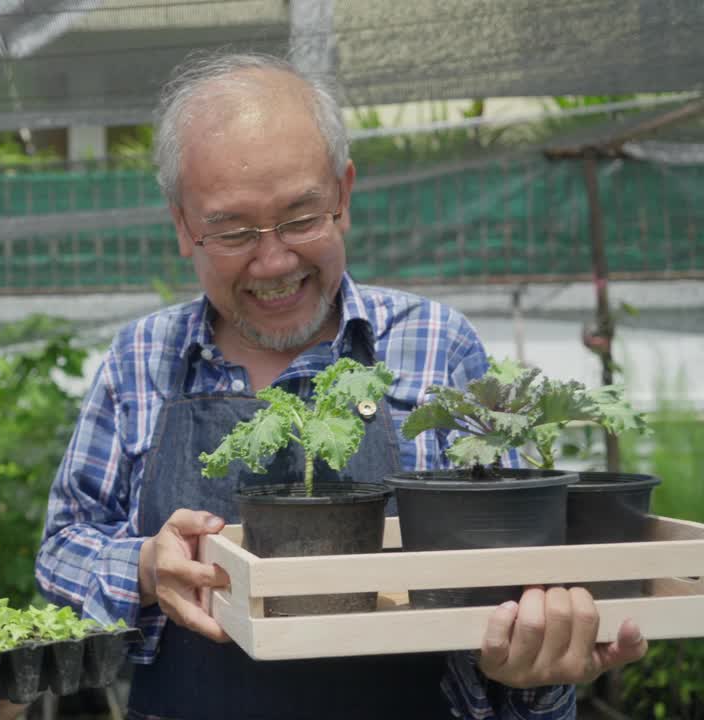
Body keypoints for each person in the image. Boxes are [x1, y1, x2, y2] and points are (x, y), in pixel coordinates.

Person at [35, 52, 648, 719]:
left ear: (344, 195)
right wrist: (146, 572)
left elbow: (511, 585)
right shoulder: (140, 361)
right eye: (234, 230)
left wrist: (530, 664)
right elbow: (65, 547)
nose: (273, 260)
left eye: (300, 219)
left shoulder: (437, 346)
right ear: (184, 225)